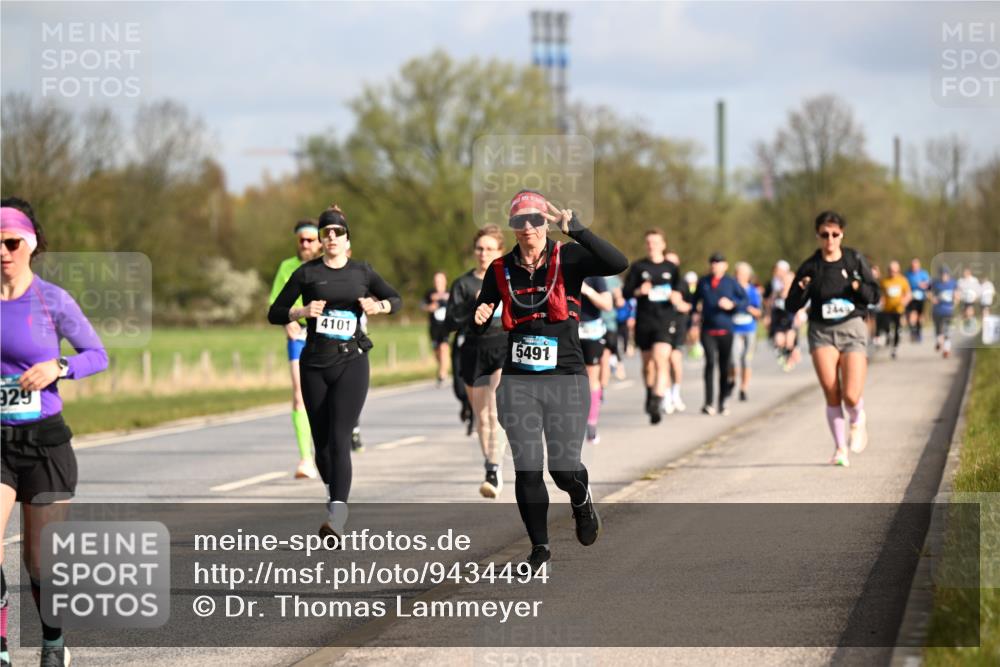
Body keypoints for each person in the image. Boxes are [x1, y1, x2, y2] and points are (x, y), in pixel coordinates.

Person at [472, 190, 628, 571]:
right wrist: (478, 314)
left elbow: (617, 262)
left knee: (562, 468)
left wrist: (578, 230)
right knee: (527, 466)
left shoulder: (569, 258)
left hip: (566, 378)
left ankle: (580, 499)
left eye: (536, 219)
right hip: (519, 382)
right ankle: (539, 549)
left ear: (545, 223)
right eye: (520, 221)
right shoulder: (498, 270)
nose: (529, 227)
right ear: (513, 228)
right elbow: (483, 313)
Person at [1, 198, 109, 667]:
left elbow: (97, 354)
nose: (2, 252)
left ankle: (52, 642)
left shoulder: (52, 300)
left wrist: (57, 366)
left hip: (45, 442)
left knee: (41, 564)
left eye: (10, 242)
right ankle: (1, 646)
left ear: (31, 243)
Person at [268, 204, 401, 539]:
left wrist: (379, 306)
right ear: (320, 240)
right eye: (325, 233)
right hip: (314, 363)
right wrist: (301, 309)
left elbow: (395, 298)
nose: (330, 237)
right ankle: (333, 493)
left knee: (341, 437)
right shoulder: (307, 274)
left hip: (352, 361)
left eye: (336, 232)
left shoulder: (362, 272)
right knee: (322, 447)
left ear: (346, 239)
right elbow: (275, 312)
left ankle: (336, 515)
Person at [785, 211, 880, 467]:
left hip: (851, 329)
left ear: (842, 235)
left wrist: (859, 288)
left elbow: (875, 296)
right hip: (821, 331)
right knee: (831, 391)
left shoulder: (854, 260)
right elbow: (791, 304)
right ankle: (840, 449)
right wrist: (802, 287)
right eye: (825, 234)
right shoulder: (810, 266)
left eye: (835, 234)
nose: (830, 239)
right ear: (818, 235)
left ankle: (857, 418)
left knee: (850, 394)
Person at [444, 226, 508, 498]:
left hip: (502, 347)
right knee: (481, 416)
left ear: (500, 252)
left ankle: (494, 467)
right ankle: (490, 465)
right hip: (473, 350)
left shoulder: (508, 279)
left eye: (490, 249)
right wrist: (473, 305)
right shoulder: (462, 284)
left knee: (495, 409)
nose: (484, 254)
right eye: (480, 249)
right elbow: (450, 323)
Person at [269, 219, 322, 479]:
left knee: (327, 396)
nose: (305, 244)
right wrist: (286, 322)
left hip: (326, 335)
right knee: (300, 394)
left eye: (310, 240)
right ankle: (305, 459)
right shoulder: (287, 267)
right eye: (301, 240)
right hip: (299, 335)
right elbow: (275, 306)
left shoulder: (328, 266)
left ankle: (331, 445)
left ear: (320, 242)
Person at [623, 229, 685, 423]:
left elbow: (681, 293)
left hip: (665, 320)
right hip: (644, 321)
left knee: (661, 359)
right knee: (648, 365)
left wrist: (677, 296)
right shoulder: (638, 267)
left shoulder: (671, 268)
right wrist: (639, 291)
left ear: (663, 245)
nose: (652, 245)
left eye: (656, 242)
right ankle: (650, 393)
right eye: (649, 242)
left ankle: (657, 401)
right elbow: (626, 292)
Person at [692, 253, 747, 415]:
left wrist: (733, 305)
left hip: (726, 330)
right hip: (707, 329)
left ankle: (722, 401)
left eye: (718, 262)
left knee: (724, 366)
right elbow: (694, 301)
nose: (715, 265)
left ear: (725, 265)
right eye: (713, 263)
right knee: (709, 363)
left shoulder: (731, 282)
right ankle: (708, 403)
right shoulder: (703, 282)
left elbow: (744, 300)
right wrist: (694, 313)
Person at [579, 276, 613, 443]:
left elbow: (607, 305)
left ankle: (591, 423)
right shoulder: (559, 268)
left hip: (591, 332)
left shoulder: (595, 276)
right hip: (567, 331)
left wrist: (587, 291)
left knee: (592, 378)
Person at [729, 262, 762, 402]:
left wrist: (748, 308)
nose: (740, 276)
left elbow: (759, 312)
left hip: (749, 329)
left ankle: (743, 389)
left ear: (748, 276)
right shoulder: (730, 290)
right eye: (737, 273)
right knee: (733, 360)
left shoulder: (752, 291)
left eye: (743, 274)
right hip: (734, 329)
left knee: (746, 361)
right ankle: (732, 381)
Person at [664, 252, 691, 412]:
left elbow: (689, 306)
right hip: (662, 324)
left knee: (675, 361)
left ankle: (676, 393)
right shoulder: (659, 281)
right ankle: (667, 396)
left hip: (679, 324)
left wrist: (681, 304)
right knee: (664, 361)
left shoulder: (682, 283)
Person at [423, 272, 451, 386]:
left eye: (440, 280)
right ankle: (443, 367)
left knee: (444, 348)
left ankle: (442, 374)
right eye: (436, 281)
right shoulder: (429, 294)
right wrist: (430, 307)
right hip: (434, 327)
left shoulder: (450, 293)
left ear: (445, 281)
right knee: (437, 352)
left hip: (446, 326)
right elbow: (422, 305)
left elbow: (456, 306)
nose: (438, 283)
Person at [879, 260, 911, 360]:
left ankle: (894, 348)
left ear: (898, 271)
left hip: (898, 309)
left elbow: (908, 294)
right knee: (886, 326)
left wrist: (904, 301)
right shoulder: (884, 281)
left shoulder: (903, 280)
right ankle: (888, 337)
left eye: (894, 271)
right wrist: (881, 301)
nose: (892, 273)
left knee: (897, 329)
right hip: (887, 309)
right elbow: (881, 294)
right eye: (891, 271)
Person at [930, 266, 958, 359]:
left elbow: (957, 294)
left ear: (948, 275)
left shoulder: (953, 283)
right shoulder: (935, 283)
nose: (944, 276)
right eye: (942, 274)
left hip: (948, 310)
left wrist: (955, 301)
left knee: (947, 330)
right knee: (938, 329)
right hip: (937, 310)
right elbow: (928, 292)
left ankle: (946, 349)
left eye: (945, 274)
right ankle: (939, 341)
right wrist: (932, 298)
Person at [905, 258, 931, 343]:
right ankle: (913, 330)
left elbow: (928, 284)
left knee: (919, 317)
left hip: (921, 297)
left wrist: (923, 285)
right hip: (910, 297)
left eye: (915, 265)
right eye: (913, 265)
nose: (914, 267)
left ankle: (918, 332)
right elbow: (904, 284)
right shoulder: (907, 274)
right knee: (911, 315)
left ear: (919, 265)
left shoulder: (923, 273)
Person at [957, 267, 981, 333]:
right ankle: (967, 325)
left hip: (971, 299)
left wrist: (976, 296)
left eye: (966, 272)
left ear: (969, 273)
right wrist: (958, 297)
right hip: (963, 300)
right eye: (964, 273)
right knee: (965, 314)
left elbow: (978, 289)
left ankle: (972, 326)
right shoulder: (960, 281)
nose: (964, 274)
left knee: (969, 312)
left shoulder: (974, 280)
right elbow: (958, 290)